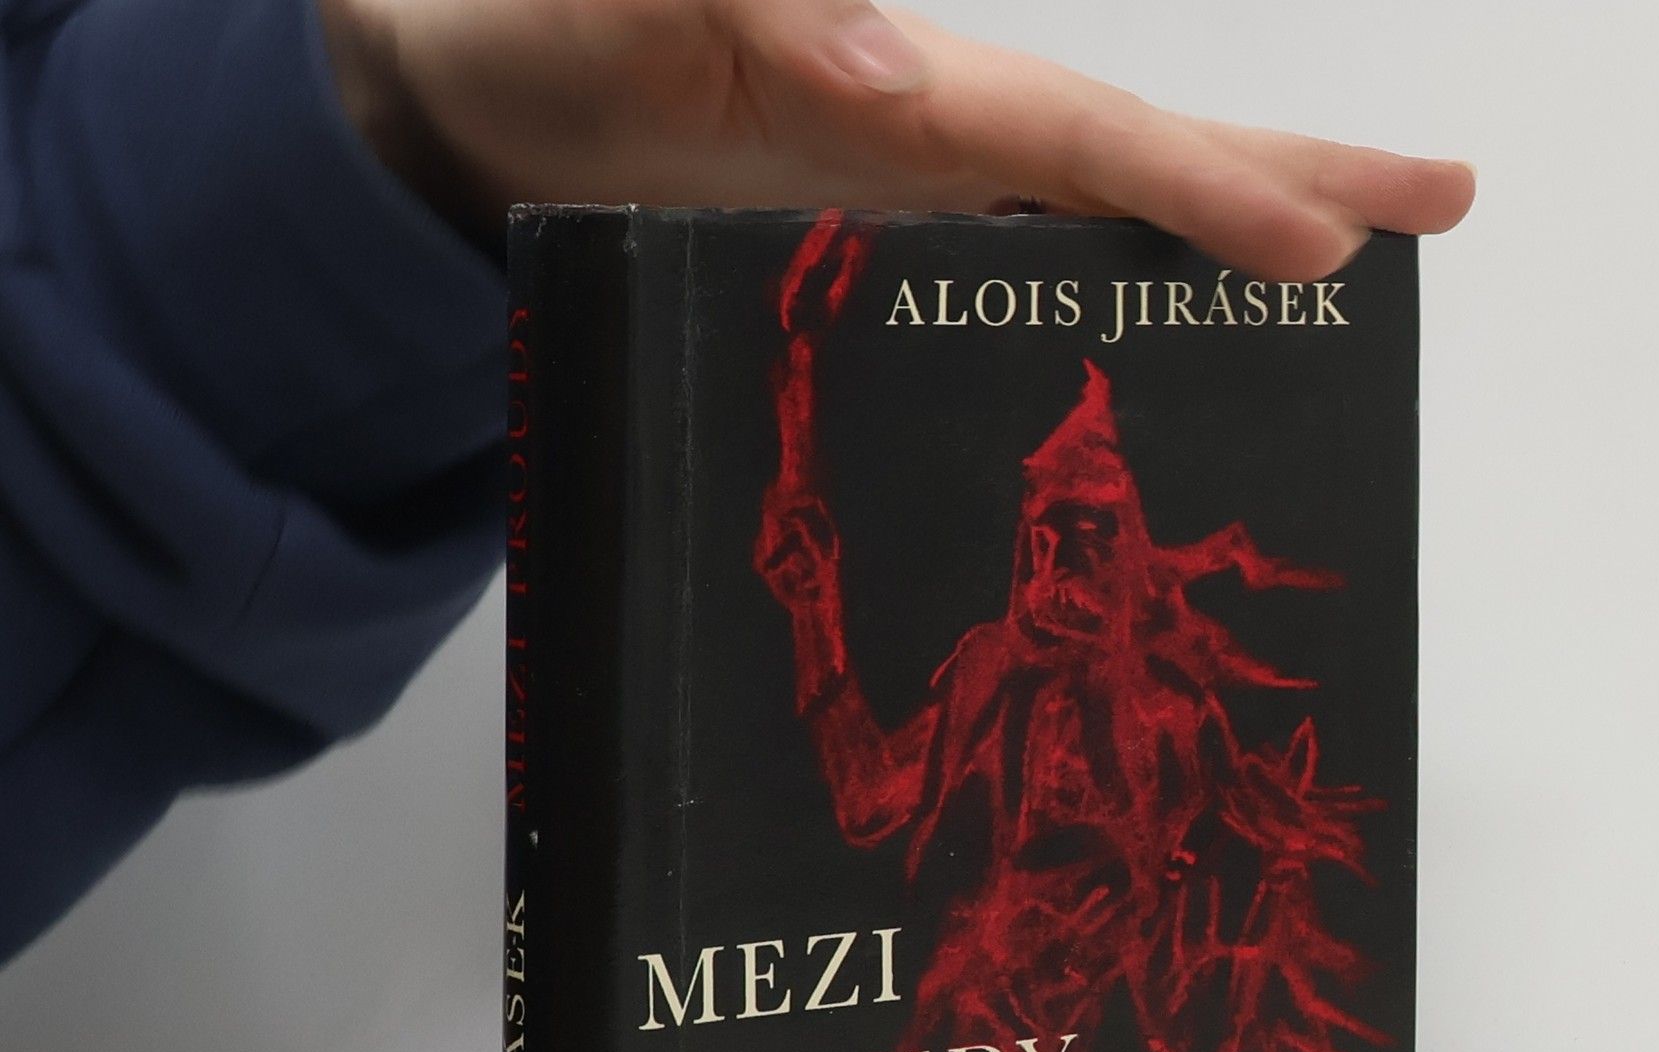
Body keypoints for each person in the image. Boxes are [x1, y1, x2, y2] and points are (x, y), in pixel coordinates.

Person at [0, 0, 1473, 964]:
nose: (1047, 569)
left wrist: (377, 139)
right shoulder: (991, 675)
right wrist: (363, 141)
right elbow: (873, 799)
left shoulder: (1177, 708)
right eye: (1040, 534)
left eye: (1079, 533)